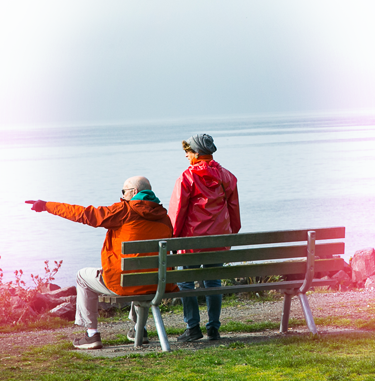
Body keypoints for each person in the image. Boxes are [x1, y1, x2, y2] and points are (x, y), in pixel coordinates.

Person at [25, 176, 177, 350]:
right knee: (141, 271)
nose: (122, 196)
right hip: (158, 283)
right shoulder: (163, 216)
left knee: (82, 276)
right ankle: (138, 329)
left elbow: (84, 214)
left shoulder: (124, 210)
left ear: (134, 192)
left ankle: (91, 335)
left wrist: (47, 205)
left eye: (124, 192)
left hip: (126, 285)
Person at [169, 133, 241, 342]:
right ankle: (213, 328)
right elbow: (233, 208)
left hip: (191, 242)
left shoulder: (187, 177)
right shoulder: (227, 176)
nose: (186, 156)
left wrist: (173, 237)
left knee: (186, 283)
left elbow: (178, 212)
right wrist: (231, 233)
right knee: (213, 282)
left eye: (188, 152)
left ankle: (192, 328)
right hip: (218, 241)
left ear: (197, 153)